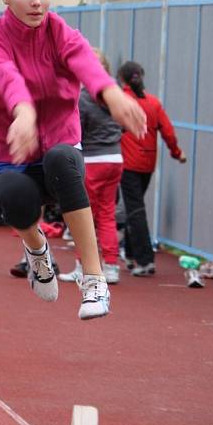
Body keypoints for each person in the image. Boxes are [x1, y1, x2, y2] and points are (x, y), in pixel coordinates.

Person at [0, 0, 146, 320]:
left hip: (56, 141)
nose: (36, 2)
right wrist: (23, 113)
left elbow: (84, 61)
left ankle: (94, 279)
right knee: (12, 197)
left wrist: (111, 94)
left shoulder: (60, 32)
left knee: (64, 160)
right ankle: (37, 251)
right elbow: (7, 79)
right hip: (14, 149)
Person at [60, 49, 123, 285]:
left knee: (83, 215)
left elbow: (78, 128)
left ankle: (83, 266)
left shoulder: (85, 97)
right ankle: (111, 266)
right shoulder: (115, 94)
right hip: (115, 157)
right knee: (107, 213)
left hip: (92, 159)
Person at [118, 61, 186, 276]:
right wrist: (176, 153)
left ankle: (145, 260)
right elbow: (168, 132)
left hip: (127, 164)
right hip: (147, 164)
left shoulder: (120, 101)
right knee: (134, 207)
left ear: (122, 79)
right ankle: (129, 254)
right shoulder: (153, 103)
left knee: (135, 209)